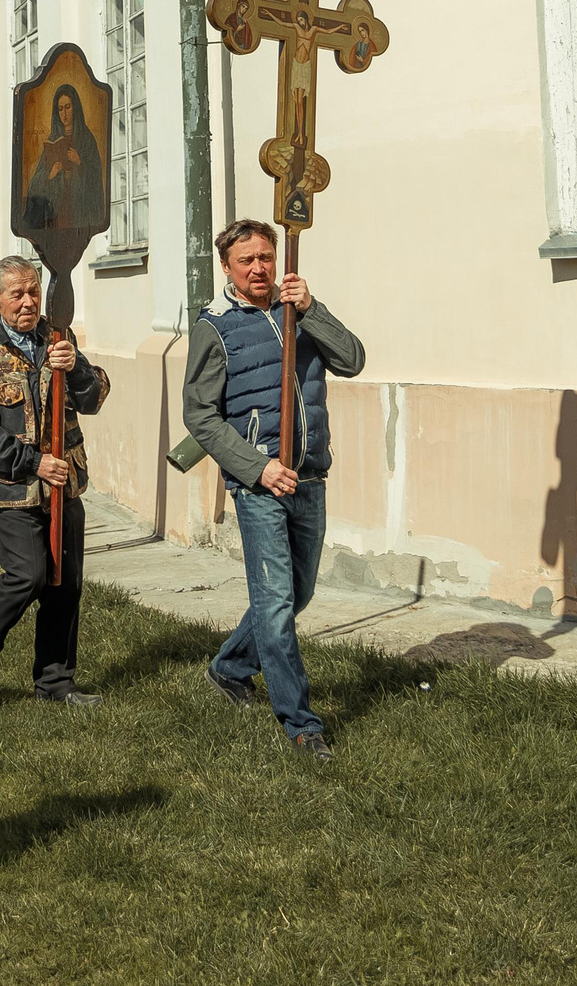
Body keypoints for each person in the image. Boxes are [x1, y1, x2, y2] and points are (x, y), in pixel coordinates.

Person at [181, 219, 368, 760]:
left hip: (309, 475)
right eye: (247, 261)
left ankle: (230, 668)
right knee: (277, 602)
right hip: (260, 485)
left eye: (266, 256)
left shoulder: (299, 312)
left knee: (297, 593)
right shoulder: (214, 328)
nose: (259, 267)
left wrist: (312, 309)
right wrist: (257, 468)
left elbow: (353, 360)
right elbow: (201, 416)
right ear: (227, 268)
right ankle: (302, 725)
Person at [0, 255, 109, 710]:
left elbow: (93, 397)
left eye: (33, 291)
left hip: (65, 483)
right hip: (14, 486)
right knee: (28, 576)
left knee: (66, 582)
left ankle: (56, 681)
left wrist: (75, 365)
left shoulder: (59, 338)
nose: (27, 301)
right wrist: (34, 463)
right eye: (17, 293)